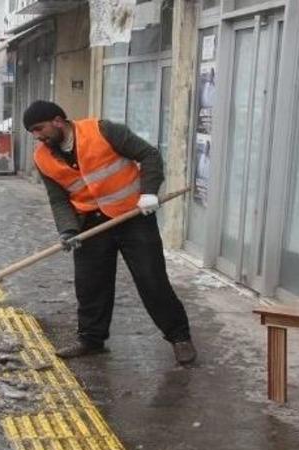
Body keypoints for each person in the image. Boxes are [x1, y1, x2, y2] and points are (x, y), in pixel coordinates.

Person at [22, 100, 196, 365]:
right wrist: (68, 230)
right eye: (32, 132)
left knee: (151, 279)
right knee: (90, 284)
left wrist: (149, 192)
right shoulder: (42, 157)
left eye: (39, 128)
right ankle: (91, 340)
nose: (37, 136)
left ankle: (179, 337)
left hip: (132, 216)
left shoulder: (103, 130)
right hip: (90, 223)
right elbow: (58, 199)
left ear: (58, 120)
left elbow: (149, 154)